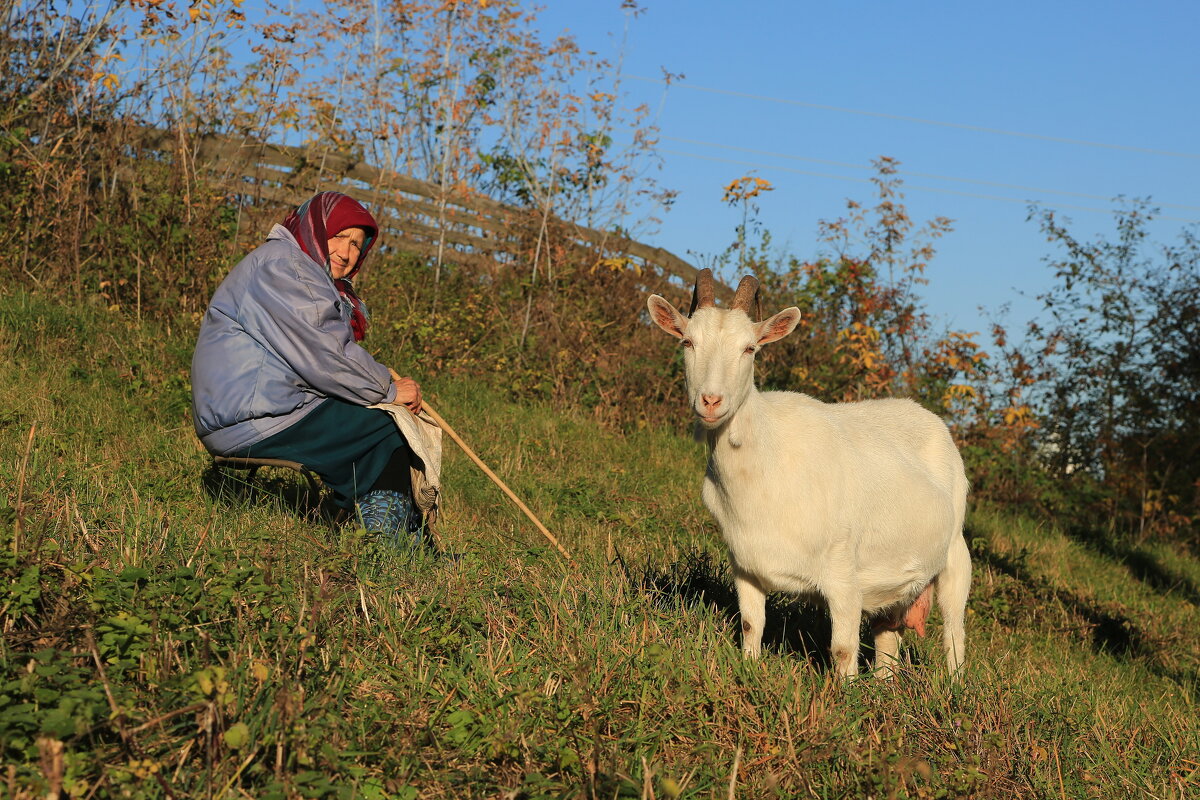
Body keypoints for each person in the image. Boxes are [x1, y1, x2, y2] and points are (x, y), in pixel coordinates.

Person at [191, 190, 427, 546]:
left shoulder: (290, 265)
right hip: (251, 416)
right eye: (340, 236)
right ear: (316, 228)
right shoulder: (286, 268)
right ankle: (390, 544)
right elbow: (327, 355)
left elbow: (322, 353)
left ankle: (394, 533)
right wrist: (390, 390)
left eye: (357, 245)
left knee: (370, 419)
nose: (347, 253)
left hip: (250, 408)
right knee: (386, 425)